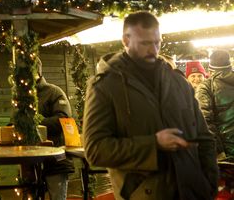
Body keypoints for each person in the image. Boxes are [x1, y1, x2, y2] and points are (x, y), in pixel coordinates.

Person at [83, 11, 218, 200]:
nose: (153, 50)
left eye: (157, 42)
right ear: (126, 40)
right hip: (146, 193)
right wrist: (153, 144)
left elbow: (204, 137)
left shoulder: (177, 81)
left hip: (193, 192)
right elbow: (95, 149)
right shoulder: (105, 86)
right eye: (145, 43)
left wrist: (209, 183)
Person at [34, 59, 74, 200]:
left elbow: (64, 120)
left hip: (56, 160)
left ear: (36, 72)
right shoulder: (22, 98)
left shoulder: (54, 92)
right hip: (32, 162)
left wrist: (36, 123)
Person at [196, 50, 234, 160]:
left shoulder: (206, 87)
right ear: (230, 66)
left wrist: (217, 150)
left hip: (227, 153)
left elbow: (204, 120)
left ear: (210, 69)